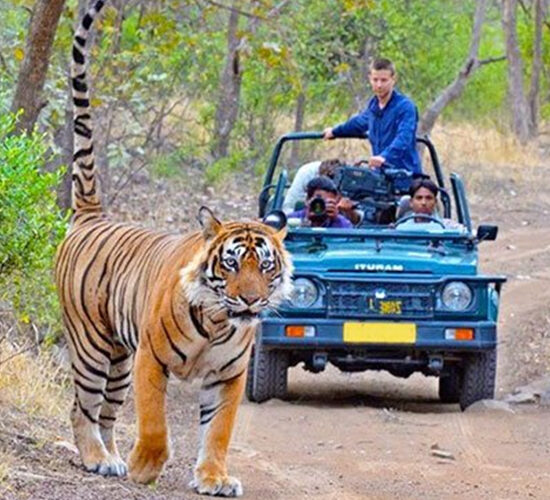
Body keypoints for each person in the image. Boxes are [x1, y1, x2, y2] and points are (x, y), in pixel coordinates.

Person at [323, 58, 422, 175]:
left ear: (393, 79)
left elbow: (404, 137)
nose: (379, 85)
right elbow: (359, 123)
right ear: (370, 79)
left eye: (384, 80)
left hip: (405, 174)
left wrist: (384, 157)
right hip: (381, 175)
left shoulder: (405, 107)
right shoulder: (373, 106)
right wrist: (335, 131)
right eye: (375, 80)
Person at [283, 158, 360, 224]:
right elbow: (288, 211)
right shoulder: (306, 174)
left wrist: (343, 214)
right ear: (307, 200)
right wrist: (307, 217)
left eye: (329, 199)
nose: (322, 204)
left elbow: (356, 222)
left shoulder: (341, 222)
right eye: (319, 199)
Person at [395, 178, 464, 231]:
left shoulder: (448, 226)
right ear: (411, 202)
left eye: (429, 198)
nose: (423, 203)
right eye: (419, 198)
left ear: (435, 202)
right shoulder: (400, 229)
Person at [287, 176, 353, 229]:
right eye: (318, 201)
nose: (320, 206)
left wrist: (336, 221)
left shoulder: (343, 224)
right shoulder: (291, 219)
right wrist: (306, 221)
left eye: (328, 203)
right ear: (307, 200)